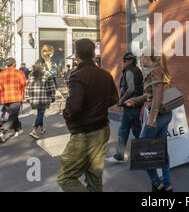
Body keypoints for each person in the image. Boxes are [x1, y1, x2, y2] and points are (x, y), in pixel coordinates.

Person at [57, 39, 119, 192]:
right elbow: (114, 98)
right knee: (94, 176)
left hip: (85, 133)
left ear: (76, 55)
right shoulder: (105, 74)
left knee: (66, 178)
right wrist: (97, 108)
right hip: (102, 129)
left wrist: (66, 115)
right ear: (93, 54)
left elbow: (74, 106)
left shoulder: (77, 75)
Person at [124, 48, 172, 192]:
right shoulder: (157, 69)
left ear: (147, 57)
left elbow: (158, 96)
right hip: (164, 114)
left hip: (158, 116)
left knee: (142, 150)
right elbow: (152, 95)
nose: (141, 60)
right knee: (162, 149)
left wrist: (152, 118)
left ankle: (157, 183)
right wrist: (135, 100)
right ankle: (167, 183)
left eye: (142, 58)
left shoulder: (155, 71)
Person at [106, 52, 144, 163]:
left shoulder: (129, 71)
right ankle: (120, 155)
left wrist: (121, 101)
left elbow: (131, 89)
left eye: (125, 61)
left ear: (130, 61)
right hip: (133, 105)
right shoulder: (137, 70)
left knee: (135, 130)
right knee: (126, 129)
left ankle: (145, 153)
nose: (123, 63)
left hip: (131, 105)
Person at [25, 59, 56, 140]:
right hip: (43, 98)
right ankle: (34, 131)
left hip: (34, 98)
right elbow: (51, 87)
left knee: (40, 113)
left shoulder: (31, 73)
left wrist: (27, 97)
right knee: (40, 114)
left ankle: (42, 128)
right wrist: (53, 96)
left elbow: (27, 86)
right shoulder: (47, 73)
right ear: (42, 65)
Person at [0, 58, 27, 143]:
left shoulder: (1, 73)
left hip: (5, 99)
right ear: (14, 63)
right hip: (16, 97)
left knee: (13, 115)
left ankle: (17, 130)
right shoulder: (19, 72)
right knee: (13, 116)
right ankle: (3, 132)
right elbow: (23, 85)